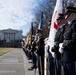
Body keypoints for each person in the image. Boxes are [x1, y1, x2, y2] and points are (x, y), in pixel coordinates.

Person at [60, 6, 76, 75]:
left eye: (66, 13)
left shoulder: (75, 25)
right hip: (66, 57)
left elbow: (75, 40)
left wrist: (63, 44)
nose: (65, 15)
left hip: (71, 57)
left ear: (72, 14)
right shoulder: (68, 26)